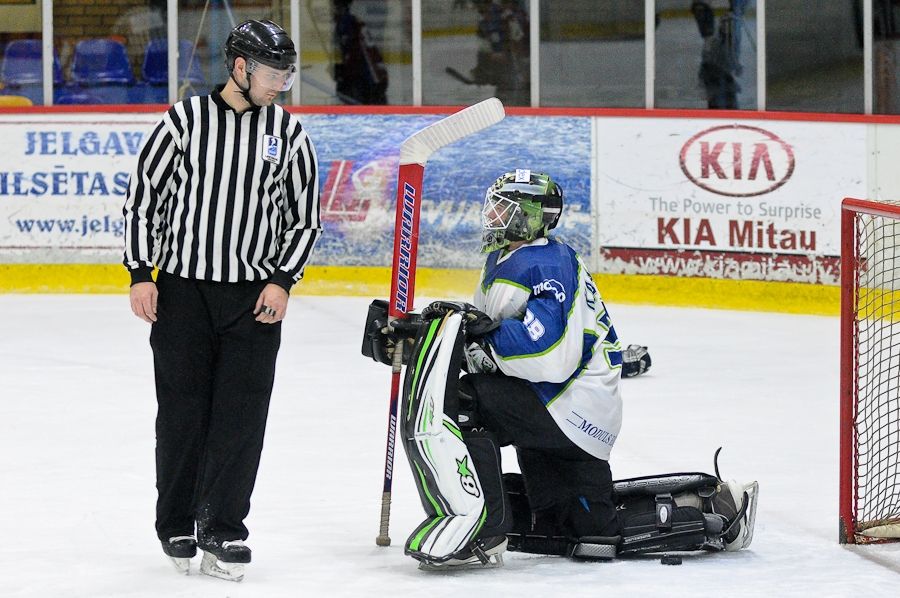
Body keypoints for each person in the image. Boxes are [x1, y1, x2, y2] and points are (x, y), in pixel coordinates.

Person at [363, 170, 756, 570]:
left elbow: (548, 352)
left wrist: (479, 336)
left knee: (466, 401)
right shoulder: (509, 259)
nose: (492, 215)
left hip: (570, 406)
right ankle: (709, 509)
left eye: (503, 208)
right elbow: (489, 342)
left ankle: (479, 527)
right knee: (585, 533)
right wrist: (422, 338)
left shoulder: (546, 262)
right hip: (563, 408)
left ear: (529, 216)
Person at [122, 19, 322, 582]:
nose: (283, 80)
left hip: (254, 298)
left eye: (287, 70)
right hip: (183, 294)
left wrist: (283, 280)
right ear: (240, 67)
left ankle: (225, 529)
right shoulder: (183, 122)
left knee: (241, 419)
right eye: (273, 70)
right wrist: (142, 273)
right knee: (184, 414)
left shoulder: (289, 133)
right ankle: (178, 523)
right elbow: (144, 202)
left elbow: (304, 219)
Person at [332, 0, 388, 104]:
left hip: (369, 84)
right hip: (376, 81)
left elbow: (356, 58)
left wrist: (343, 73)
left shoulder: (347, 24)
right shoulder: (354, 23)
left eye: (336, 8)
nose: (333, 12)